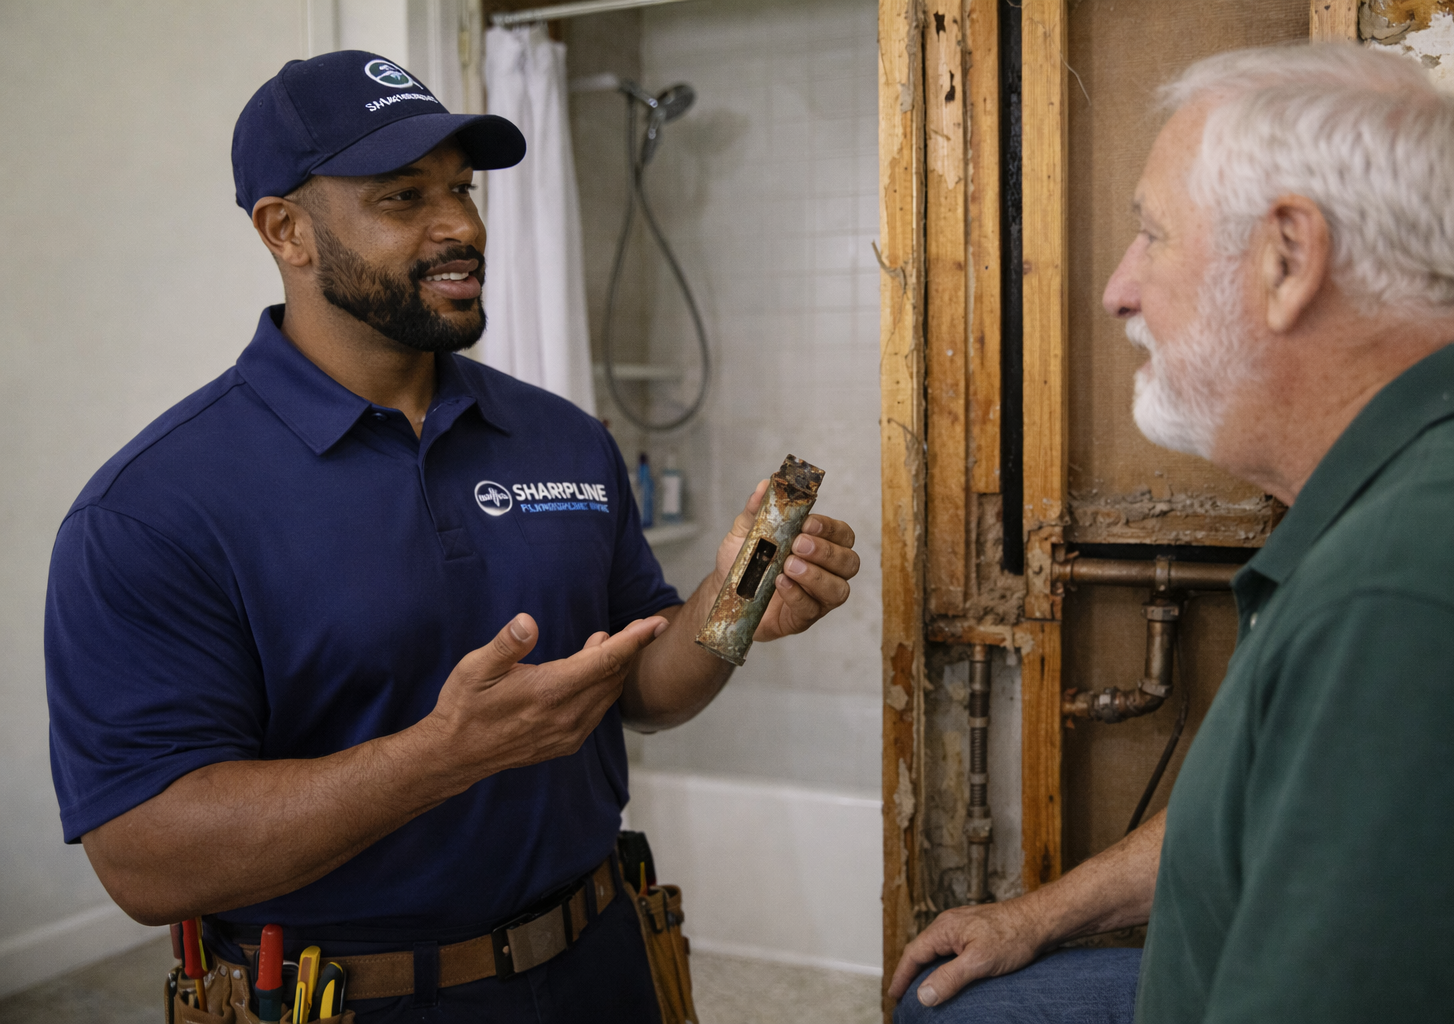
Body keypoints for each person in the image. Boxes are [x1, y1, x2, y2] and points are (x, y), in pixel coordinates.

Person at [44, 51, 859, 1022]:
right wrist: (444, 754)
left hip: (604, 963)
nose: (462, 227)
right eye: (403, 197)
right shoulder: (155, 508)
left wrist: (732, 605)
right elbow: (144, 859)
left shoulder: (563, 435)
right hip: (340, 1000)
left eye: (462, 190)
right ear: (285, 229)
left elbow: (637, 690)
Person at [892, 41, 1454, 1023]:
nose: (1117, 288)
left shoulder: (1402, 597)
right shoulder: (1440, 479)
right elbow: (1271, 809)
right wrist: (1038, 916)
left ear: (1288, 257)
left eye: (1151, 235)